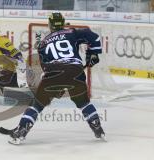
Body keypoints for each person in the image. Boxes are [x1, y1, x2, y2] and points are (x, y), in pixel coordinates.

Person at [6, 12, 105, 144]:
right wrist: (93, 54)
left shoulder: (42, 44)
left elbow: (45, 67)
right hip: (76, 70)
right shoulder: (72, 32)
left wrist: (55, 86)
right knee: (84, 103)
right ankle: (98, 130)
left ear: (50, 25)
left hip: (54, 73)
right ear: (63, 23)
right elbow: (94, 36)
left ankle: (20, 132)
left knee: (37, 105)